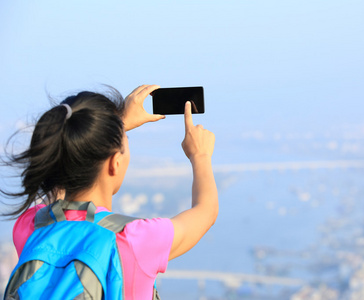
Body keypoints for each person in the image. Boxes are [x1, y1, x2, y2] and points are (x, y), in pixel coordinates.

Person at [1, 84, 219, 299]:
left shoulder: (31, 226)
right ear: (115, 162)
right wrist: (200, 155)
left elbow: (63, 171)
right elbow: (206, 211)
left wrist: (111, 131)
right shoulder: (134, 240)